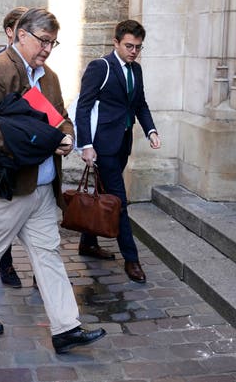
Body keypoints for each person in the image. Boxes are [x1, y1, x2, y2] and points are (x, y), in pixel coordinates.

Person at [0, 7, 106, 354]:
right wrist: (37, 139)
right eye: (43, 41)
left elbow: (61, 119)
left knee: (49, 254)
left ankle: (66, 328)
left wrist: (67, 136)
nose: (47, 49)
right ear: (20, 34)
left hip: (42, 186)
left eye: (53, 43)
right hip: (4, 187)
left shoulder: (49, 77)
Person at [75, 19, 161, 283]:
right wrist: (86, 145)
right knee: (120, 202)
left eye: (138, 47)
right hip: (103, 147)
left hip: (122, 143)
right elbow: (83, 107)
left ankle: (87, 243)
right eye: (129, 46)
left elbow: (140, 104)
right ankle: (131, 260)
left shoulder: (136, 71)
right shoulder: (100, 67)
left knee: (103, 192)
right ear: (116, 42)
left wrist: (151, 130)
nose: (134, 51)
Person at [0, 6, 28, 289]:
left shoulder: (39, 66)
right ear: (11, 32)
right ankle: (6, 264)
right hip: (4, 153)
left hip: (33, 153)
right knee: (4, 215)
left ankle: (41, 272)